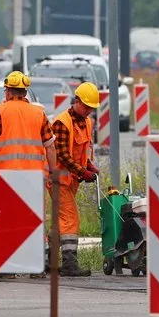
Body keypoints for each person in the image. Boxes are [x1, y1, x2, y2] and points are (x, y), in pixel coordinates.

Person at [50, 82, 100, 277]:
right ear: (76, 101)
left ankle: (50, 260)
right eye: (86, 106)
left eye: (91, 108)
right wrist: (83, 172)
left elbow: (81, 152)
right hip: (58, 180)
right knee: (70, 219)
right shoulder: (62, 122)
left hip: (72, 181)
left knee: (59, 221)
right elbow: (62, 154)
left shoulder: (87, 122)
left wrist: (89, 165)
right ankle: (70, 263)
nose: (88, 111)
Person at [0, 71, 56, 174]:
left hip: (5, 174)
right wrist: (52, 172)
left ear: (7, 92)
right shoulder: (39, 113)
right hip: (33, 175)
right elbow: (50, 147)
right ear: (25, 93)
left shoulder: (0, 111)